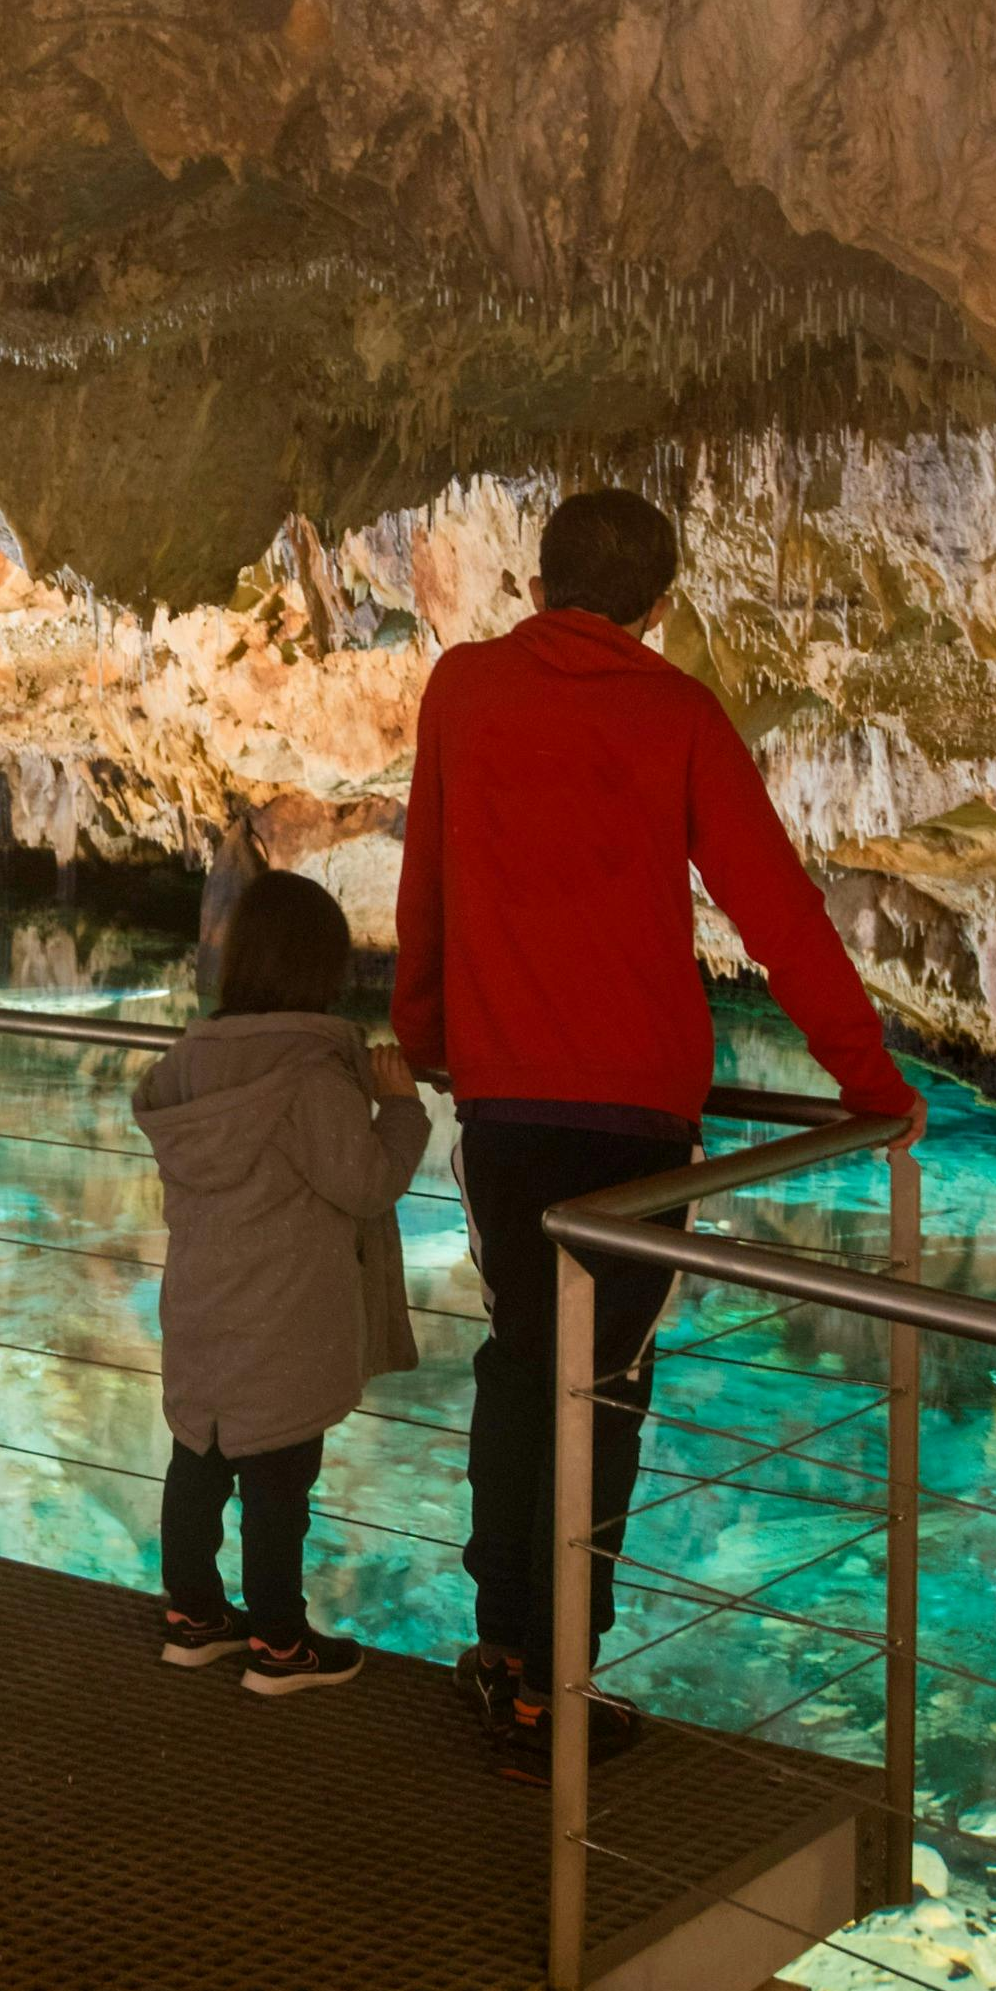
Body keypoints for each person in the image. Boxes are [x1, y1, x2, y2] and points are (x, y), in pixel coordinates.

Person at [392, 485, 919, 1778]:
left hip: (507, 1107)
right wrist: (870, 1085)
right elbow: (777, 912)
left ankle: (503, 1649)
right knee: (603, 1387)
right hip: (633, 1123)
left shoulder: (464, 689)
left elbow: (426, 882)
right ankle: (549, 1687)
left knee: (523, 1360)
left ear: (533, 585)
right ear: (661, 610)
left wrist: (424, 1037)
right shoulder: (677, 712)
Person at [132, 869, 431, 1697]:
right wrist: (400, 1107)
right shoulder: (308, 1076)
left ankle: (192, 1618)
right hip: (286, 1322)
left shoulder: (192, 1063)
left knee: (197, 1458)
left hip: (201, 1306)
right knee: (276, 1483)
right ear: (320, 969)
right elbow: (366, 1182)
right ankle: (279, 1645)